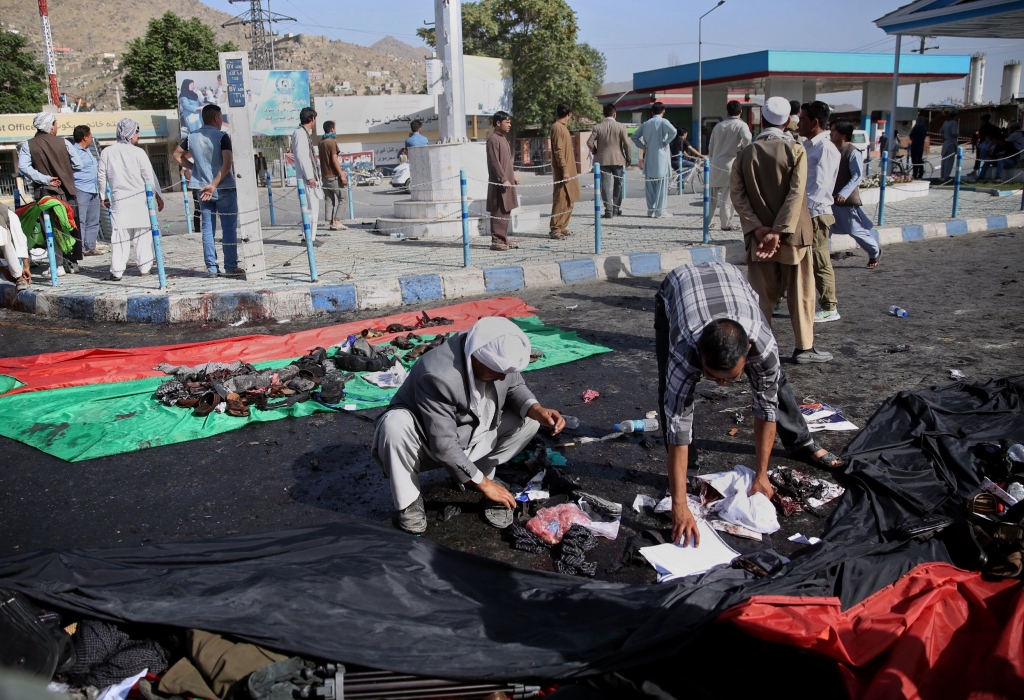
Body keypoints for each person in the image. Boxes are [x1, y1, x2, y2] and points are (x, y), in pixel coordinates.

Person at [655, 262, 843, 545]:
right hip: (678, 286)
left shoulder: (763, 346)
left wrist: (761, 475)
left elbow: (766, 409)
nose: (720, 385)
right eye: (710, 375)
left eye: (729, 378)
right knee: (671, 394)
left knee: (775, 383)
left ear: (749, 352)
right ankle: (688, 473)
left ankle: (801, 442)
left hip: (732, 282)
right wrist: (679, 505)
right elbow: (677, 425)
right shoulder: (685, 351)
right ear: (699, 354)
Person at [372, 317, 566, 534]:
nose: (503, 377)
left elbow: (514, 385)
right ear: (476, 358)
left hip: (466, 435)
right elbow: (443, 445)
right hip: (425, 443)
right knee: (395, 425)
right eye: (497, 371)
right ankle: (409, 502)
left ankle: (479, 472)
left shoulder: (493, 353)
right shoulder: (438, 375)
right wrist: (484, 486)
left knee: (530, 419)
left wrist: (537, 409)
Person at [730, 96, 832, 364]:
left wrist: (759, 228)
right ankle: (804, 348)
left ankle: (759, 348)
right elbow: (796, 194)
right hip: (794, 236)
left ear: (761, 119)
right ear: (788, 121)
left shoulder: (745, 154)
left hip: (759, 238)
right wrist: (780, 230)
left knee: (761, 297)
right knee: (801, 293)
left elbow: (737, 196)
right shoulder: (796, 150)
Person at [173, 104, 241, 277]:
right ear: (217, 118)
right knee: (229, 228)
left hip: (201, 188)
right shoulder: (222, 137)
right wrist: (214, 184)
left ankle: (211, 268)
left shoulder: (191, 137)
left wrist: (194, 169)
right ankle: (231, 266)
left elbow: (176, 155)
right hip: (223, 187)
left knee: (208, 229)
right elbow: (227, 164)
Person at [18, 111, 83, 274]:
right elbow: (79, 165)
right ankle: (72, 263)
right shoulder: (65, 143)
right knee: (71, 225)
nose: (57, 127)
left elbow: (23, 167)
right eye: (56, 124)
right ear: (51, 126)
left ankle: (57, 264)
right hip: (67, 191)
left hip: (46, 193)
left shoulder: (28, 145)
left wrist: (45, 178)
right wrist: (65, 172)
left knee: (51, 228)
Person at [97, 118, 162, 282]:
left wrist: (103, 196)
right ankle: (145, 268)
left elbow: (101, 177)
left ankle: (117, 271)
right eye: (136, 132)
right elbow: (149, 177)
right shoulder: (138, 152)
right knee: (142, 235)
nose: (138, 136)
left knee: (120, 237)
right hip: (140, 199)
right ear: (130, 133)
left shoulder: (107, 152)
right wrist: (157, 196)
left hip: (120, 200)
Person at [798, 100, 841, 325]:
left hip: (815, 213)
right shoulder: (808, 145)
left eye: (803, 119)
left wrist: (804, 210)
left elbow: (820, 186)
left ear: (815, 122)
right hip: (805, 211)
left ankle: (829, 306)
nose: (799, 123)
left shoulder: (825, 148)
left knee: (820, 260)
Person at [830, 120, 881, 269]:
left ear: (843, 135)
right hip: (828, 199)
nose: (831, 133)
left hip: (843, 201)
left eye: (834, 130)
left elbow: (857, 176)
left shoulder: (852, 152)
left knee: (854, 229)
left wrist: (844, 193)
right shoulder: (832, 150)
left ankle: (874, 252)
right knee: (824, 229)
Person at [706, 100, 752, 230]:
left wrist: (712, 158)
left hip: (715, 162)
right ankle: (726, 224)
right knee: (727, 197)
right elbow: (747, 138)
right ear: (740, 112)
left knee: (712, 196)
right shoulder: (741, 125)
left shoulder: (718, 126)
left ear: (727, 111)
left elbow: (711, 146)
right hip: (731, 163)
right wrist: (744, 150)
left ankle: (707, 222)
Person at [631, 101, 677, 217]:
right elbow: (674, 131)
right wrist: (665, 142)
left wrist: (643, 146)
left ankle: (651, 210)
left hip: (649, 156)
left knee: (650, 186)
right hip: (661, 157)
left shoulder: (646, 123)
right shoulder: (663, 122)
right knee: (661, 186)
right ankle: (660, 211)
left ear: (652, 112)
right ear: (663, 111)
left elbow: (634, 136)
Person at [587, 103, 631, 218]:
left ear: (604, 114)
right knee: (619, 185)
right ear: (614, 114)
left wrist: (595, 151)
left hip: (603, 160)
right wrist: (628, 158)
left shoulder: (598, 127)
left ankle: (608, 211)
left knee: (605, 186)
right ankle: (616, 209)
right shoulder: (621, 126)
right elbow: (627, 144)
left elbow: (589, 142)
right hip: (618, 159)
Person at [485, 111, 520, 251]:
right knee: (498, 210)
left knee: (506, 211)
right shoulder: (493, 139)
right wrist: (503, 179)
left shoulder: (503, 139)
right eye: (507, 122)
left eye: (510, 122)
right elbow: (494, 162)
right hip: (499, 183)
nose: (509, 125)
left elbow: (506, 163)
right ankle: (497, 241)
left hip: (506, 181)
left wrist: (512, 177)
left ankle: (503, 238)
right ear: (498, 123)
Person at [291, 107, 323, 244]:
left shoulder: (303, 133)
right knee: (311, 210)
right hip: (306, 179)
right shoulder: (300, 133)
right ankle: (309, 238)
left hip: (308, 178)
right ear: (312, 119)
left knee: (312, 209)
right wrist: (310, 176)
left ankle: (310, 236)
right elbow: (302, 156)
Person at [549, 102, 580, 239]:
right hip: (563, 171)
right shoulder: (557, 128)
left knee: (569, 199)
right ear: (569, 114)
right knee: (560, 199)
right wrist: (564, 169)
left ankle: (562, 227)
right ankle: (555, 228)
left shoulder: (564, 128)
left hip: (569, 170)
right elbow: (558, 151)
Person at [71, 125, 103, 256]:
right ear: (85, 137)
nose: (91, 138)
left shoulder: (89, 150)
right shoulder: (73, 151)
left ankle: (91, 246)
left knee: (93, 220)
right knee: (81, 220)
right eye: (90, 135)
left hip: (94, 189)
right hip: (81, 189)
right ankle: (81, 248)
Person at [318, 121, 349, 231]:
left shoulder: (321, 142)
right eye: (334, 128)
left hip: (324, 176)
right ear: (332, 129)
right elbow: (334, 160)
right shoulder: (332, 142)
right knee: (343, 198)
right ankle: (337, 221)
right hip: (333, 176)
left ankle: (330, 221)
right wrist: (342, 175)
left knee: (329, 199)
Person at [0, 201, 30, 292]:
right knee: (6, 243)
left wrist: (26, 267)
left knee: (5, 241)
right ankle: (19, 278)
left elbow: (19, 240)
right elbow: (20, 241)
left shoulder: (8, 214)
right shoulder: (9, 214)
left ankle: (19, 277)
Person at [940, 110, 959, 179]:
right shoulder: (954, 122)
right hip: (951, 142)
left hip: (945, 142)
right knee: (949, 160)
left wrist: (945, 135)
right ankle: (946, 175)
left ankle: (943, 175)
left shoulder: (945, 122)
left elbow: (941, 131)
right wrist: (958, 135)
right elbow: (954, 133)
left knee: (944, 160)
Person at [909, 114, 928, 180]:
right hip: (921, 146)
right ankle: (920, 173)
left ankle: (915, 174)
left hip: (915, 145)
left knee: (915, 161)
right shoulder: (924, 128)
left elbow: (911, 135)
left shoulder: (916, 127)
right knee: (920, 160)